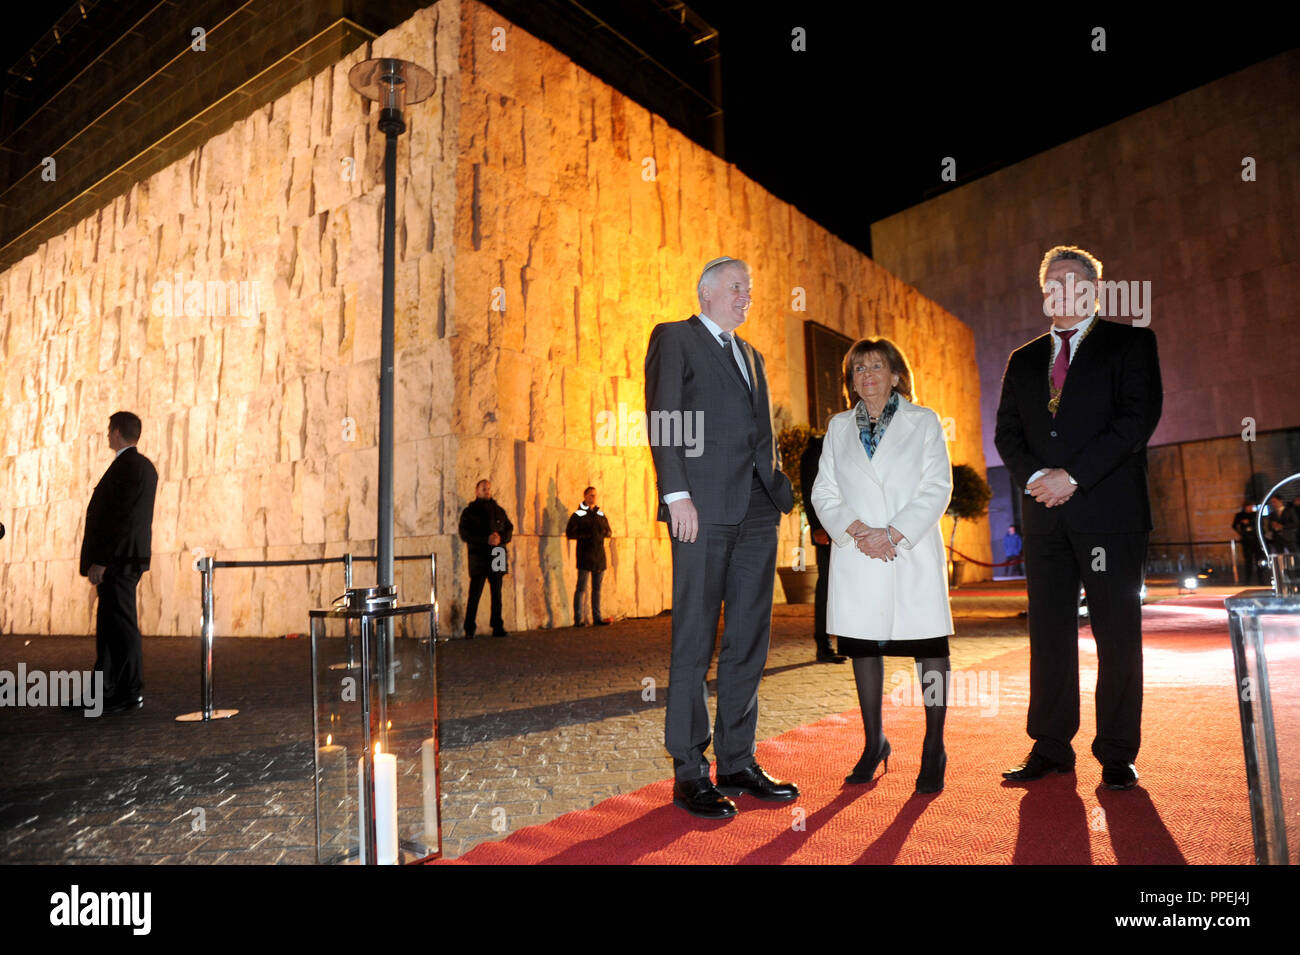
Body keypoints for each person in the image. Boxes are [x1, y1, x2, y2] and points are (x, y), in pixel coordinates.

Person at [994, 245, 1162, 791]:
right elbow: (1008, 435)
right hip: (1044, 519)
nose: (1061, 288)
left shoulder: (1130, 342)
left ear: (1094, 288)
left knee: (1117, 635)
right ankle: (1050, 746)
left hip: (1109, 516)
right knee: (1049, 635)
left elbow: (1137, 420)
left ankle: (1117, 752)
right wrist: (1038, 480)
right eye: (1052, 281)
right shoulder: (1022, 359)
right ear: (1045, 294)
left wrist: (1075, 476)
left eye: (1073, 279)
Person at [645, 255, 797, 819]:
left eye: (750, 290)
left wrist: (779, 490)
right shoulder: (676, 338)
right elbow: (664, 418)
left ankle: (737, 761)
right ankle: (690, 771)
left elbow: (760, 433)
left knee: (749, 640)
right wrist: (676, 494)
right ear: (706, 291)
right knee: (694, 638)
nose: (746, 297)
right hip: (702, 510)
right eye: (737, 288)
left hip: (758, 511)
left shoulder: (751, 355)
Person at [810, 339, 954, 794]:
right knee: (863, 648)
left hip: (908, 550)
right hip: (858, 553)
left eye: (876, 366)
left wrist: (892, 532)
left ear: (896, 374)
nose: (866, 374)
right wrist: (855, 530)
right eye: (857, 369)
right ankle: (874, 743)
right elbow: (823, 491)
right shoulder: (836, 427)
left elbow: (937, 486)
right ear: (850, 381)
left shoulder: (924, 420)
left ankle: (934, 746)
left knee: (929, 649)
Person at [79, 411, 158, 715]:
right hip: (125, 559)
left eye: (108, 431)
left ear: (115, 433)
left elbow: (119, 519)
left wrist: (101, 560)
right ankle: (103, 691)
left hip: (118, 562)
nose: (107, 436)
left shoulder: (128, 467)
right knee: (109, 625)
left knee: (122, 626)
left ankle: (129, 691)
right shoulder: (143, 467)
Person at [799, 434, 846, 663]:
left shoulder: (844, 446)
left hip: (848, 529)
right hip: (827, 531)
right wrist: (817, 527)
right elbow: (811, 493)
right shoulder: (814, 452)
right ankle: (823, 645)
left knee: (845, 589)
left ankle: (847, 639)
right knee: (827, 587)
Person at [457, 479, 512, 638]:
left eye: (488, 488)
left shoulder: (499, 510)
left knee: (497, 593)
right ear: (477, 491)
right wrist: (485, 539)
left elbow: (509, 528)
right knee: (475, 593)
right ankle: (469, 628)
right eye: (483, 488)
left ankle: (497, 626)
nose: (487, 491)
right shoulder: (469, 511)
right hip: (479, 556)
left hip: (498, 554)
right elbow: (464, 533)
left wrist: (500, 538)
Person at [566, 485, 612, 626]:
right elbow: (570, 533)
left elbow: (608, 530)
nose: (593, 498)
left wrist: (605, 534)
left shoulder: (600, 514)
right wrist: (587, 536)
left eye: (595, 495)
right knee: (581, 588)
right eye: (591, 495)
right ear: (585, 496)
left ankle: (597, 618)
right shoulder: (578, 515)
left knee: (597, 589)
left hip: (599, 556)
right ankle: (578, 619)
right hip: (585, 556)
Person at [1232, 502, 1264, 585]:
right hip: (1246, 540)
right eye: (1248, 507)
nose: (1250, 508)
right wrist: (1241, 529)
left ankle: (1261, 580)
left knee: (1258, 560)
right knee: (1248, 561)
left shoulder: (1255, 515)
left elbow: (1260, 524)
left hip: (1255, 540)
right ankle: (1248, 580)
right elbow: (1234, 525)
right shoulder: (1239, 515)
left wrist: (1250, 523)